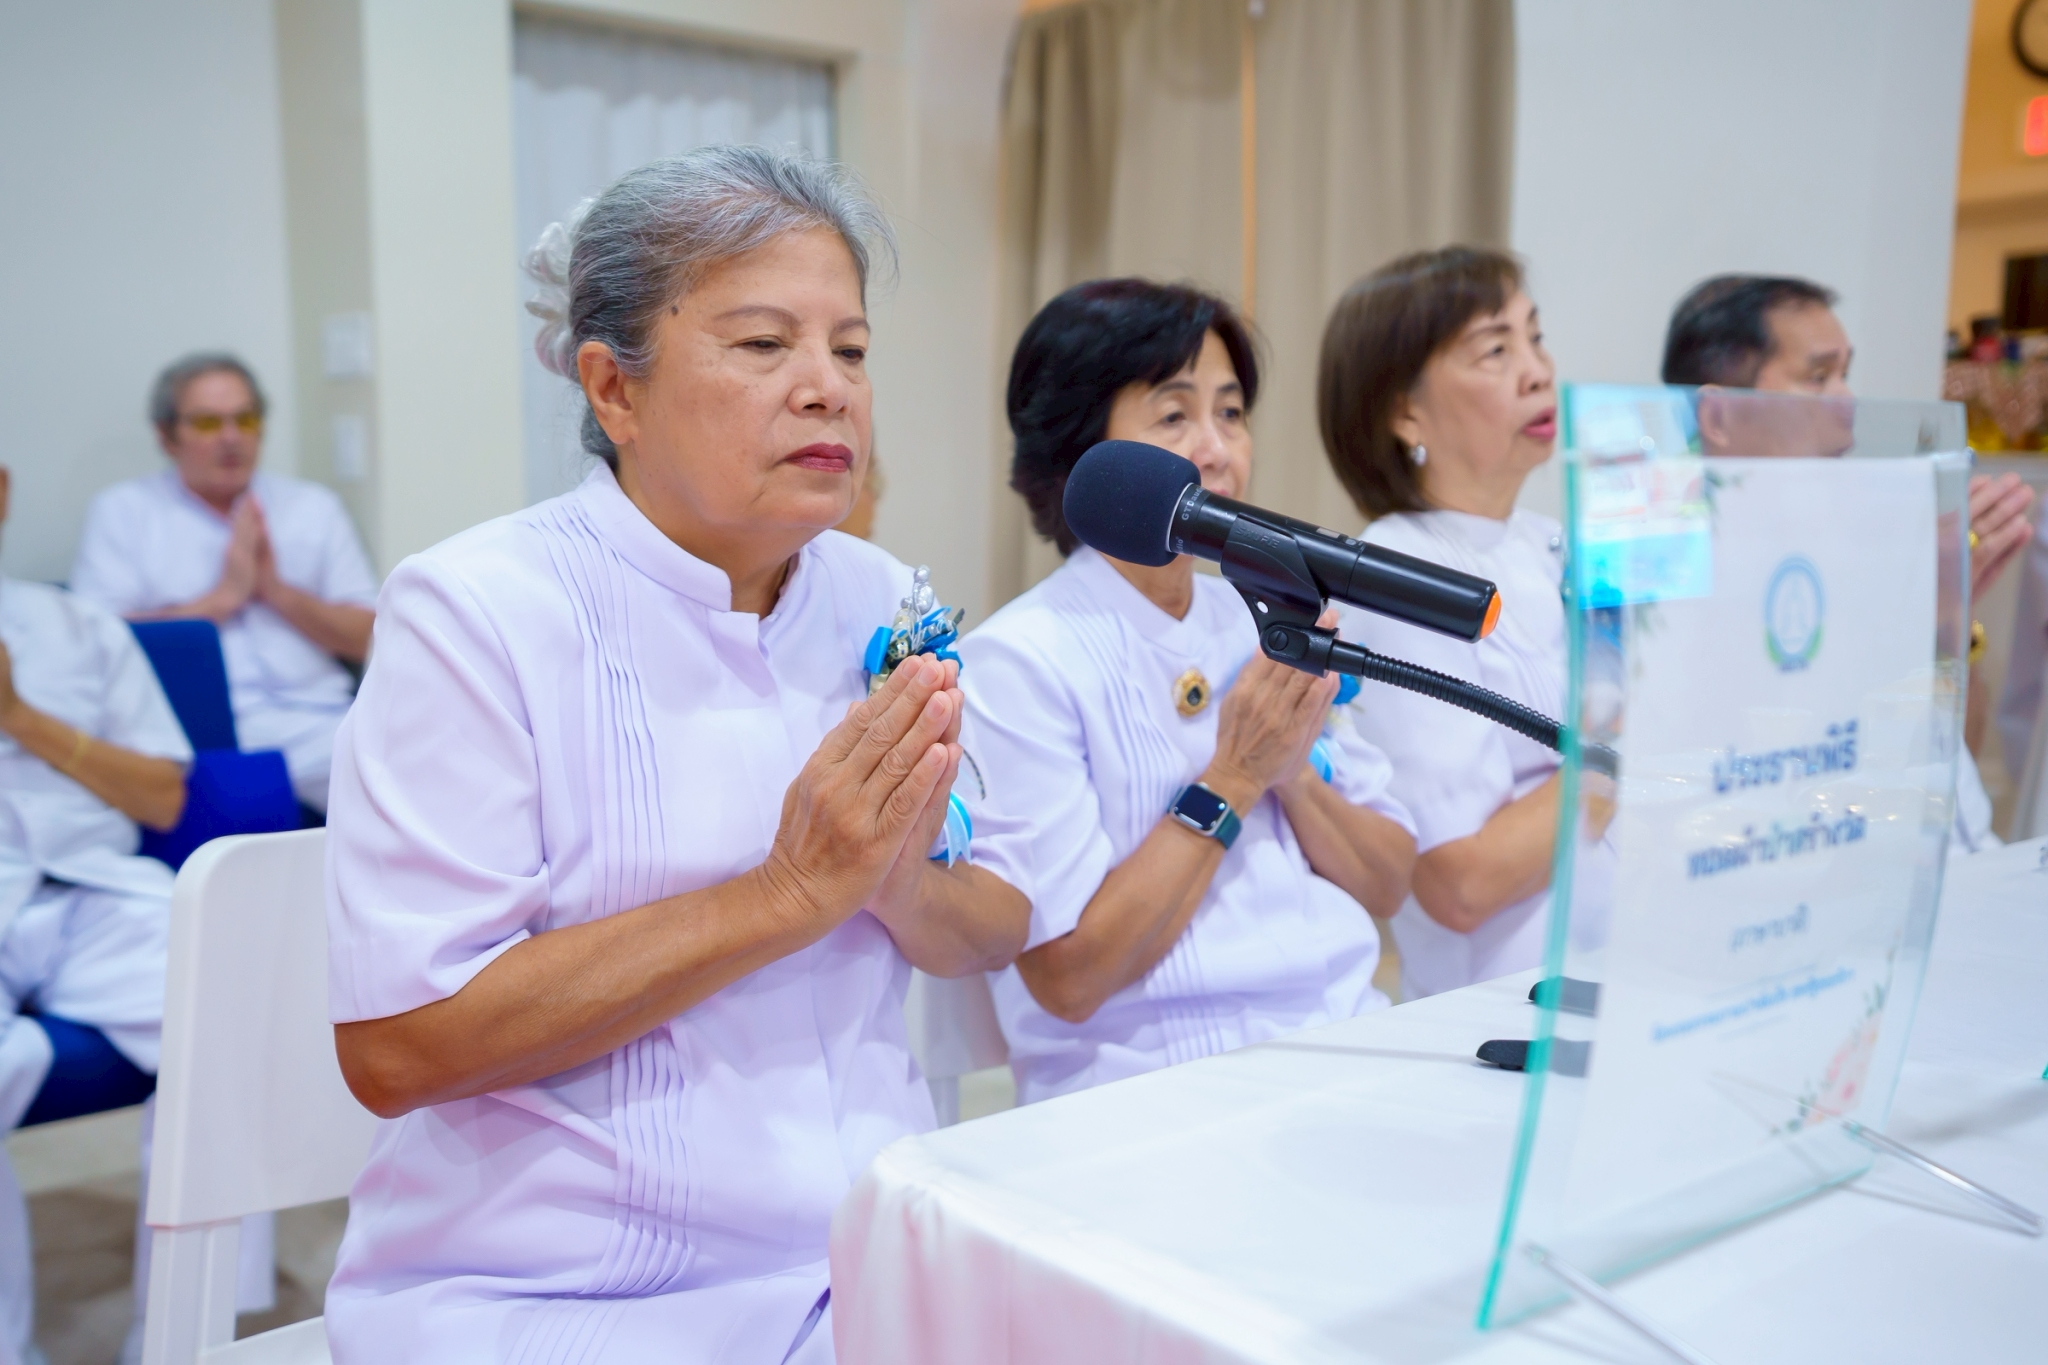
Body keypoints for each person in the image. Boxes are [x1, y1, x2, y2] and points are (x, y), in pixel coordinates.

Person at [321, 147, 1029, 1363]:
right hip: (557, 1296)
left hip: (867, 1257)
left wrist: (899, 883)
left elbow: (1000, 922)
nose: (827, 390)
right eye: (763, 344)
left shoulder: (882, 599)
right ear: (614, 389)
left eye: (850, 350)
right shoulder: (477, 612)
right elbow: (399, 1047)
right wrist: (788, 893)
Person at [958, 279, 1417, 1102]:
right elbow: (1069, 976)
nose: (1217, 448)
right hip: (1154, 1095)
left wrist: (1292, 775)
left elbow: (1387, 883)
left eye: (1231, 412)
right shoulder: (1018, 660)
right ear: (1085, 455)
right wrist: (1233, 777)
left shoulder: (1265, 616)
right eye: (1174, 416)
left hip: (1347, 1041)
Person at [1662, 274, 2036, 851]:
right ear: (1720, 416)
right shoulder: (1666, 582)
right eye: (1818, 377)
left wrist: (1947, 623)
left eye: (1845, 373)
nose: (1848, 401)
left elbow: (1952, 770)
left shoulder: (1865, 542)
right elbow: (1761, 783)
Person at [1317, 246, 1583, 999]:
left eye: (1535, 338)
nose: (1537, 371)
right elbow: (1459, 880)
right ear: (1405, 412)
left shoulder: (1551, 544)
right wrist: (1626, 757)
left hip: (1623, 971)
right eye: (1496, 351)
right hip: (1508, 1004)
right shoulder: (1397, 573)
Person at [0, 464, 190, 1362]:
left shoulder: (77, 625)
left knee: (218, 1009)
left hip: (90, 893)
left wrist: (20, 717)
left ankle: (181, 1335)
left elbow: (162, 796)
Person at [70, 354, 378, 812]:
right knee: (375, 783)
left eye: (245, 419)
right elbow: (94, 644)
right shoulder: (123, 513)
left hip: (325, 717)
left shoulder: (313, 508)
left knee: (427, 757)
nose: (231, 437)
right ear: (166, 436)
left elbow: (370, 637)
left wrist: (277, 592)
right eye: (208, 423)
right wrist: (221, 601)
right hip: (203, 731)